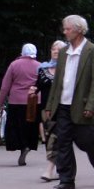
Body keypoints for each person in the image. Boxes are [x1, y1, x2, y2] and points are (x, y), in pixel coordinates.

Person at [43, 14, 94, 189]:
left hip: (82, 105)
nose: (64, 32)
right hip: (63, 105)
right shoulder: (63, 52)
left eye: (67, 29)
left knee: (87, 142)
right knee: (63, 142)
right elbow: (57, 82)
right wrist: (50, 105)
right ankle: (67, 180)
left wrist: (91, 106)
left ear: (78, 30)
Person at [0, 43, 41, 165]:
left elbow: (5, 86)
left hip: (16, 101)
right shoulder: (39, 66)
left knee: (16, 127)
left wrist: (1, 102)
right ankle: (28, 145)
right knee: (30, 126)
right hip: (33, 101)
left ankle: (21, 146)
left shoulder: (14, 65)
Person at [35, 40, 67, 180]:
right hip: (46, 110)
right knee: (50, 139)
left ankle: (50, 169)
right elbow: (38, 86)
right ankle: (62, 168)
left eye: (59, 49)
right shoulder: (42, 69)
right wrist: (33, 90)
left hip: (63, 108)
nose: (55, 51)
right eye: (53, 48)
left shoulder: (68, 69)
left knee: (57, 138)